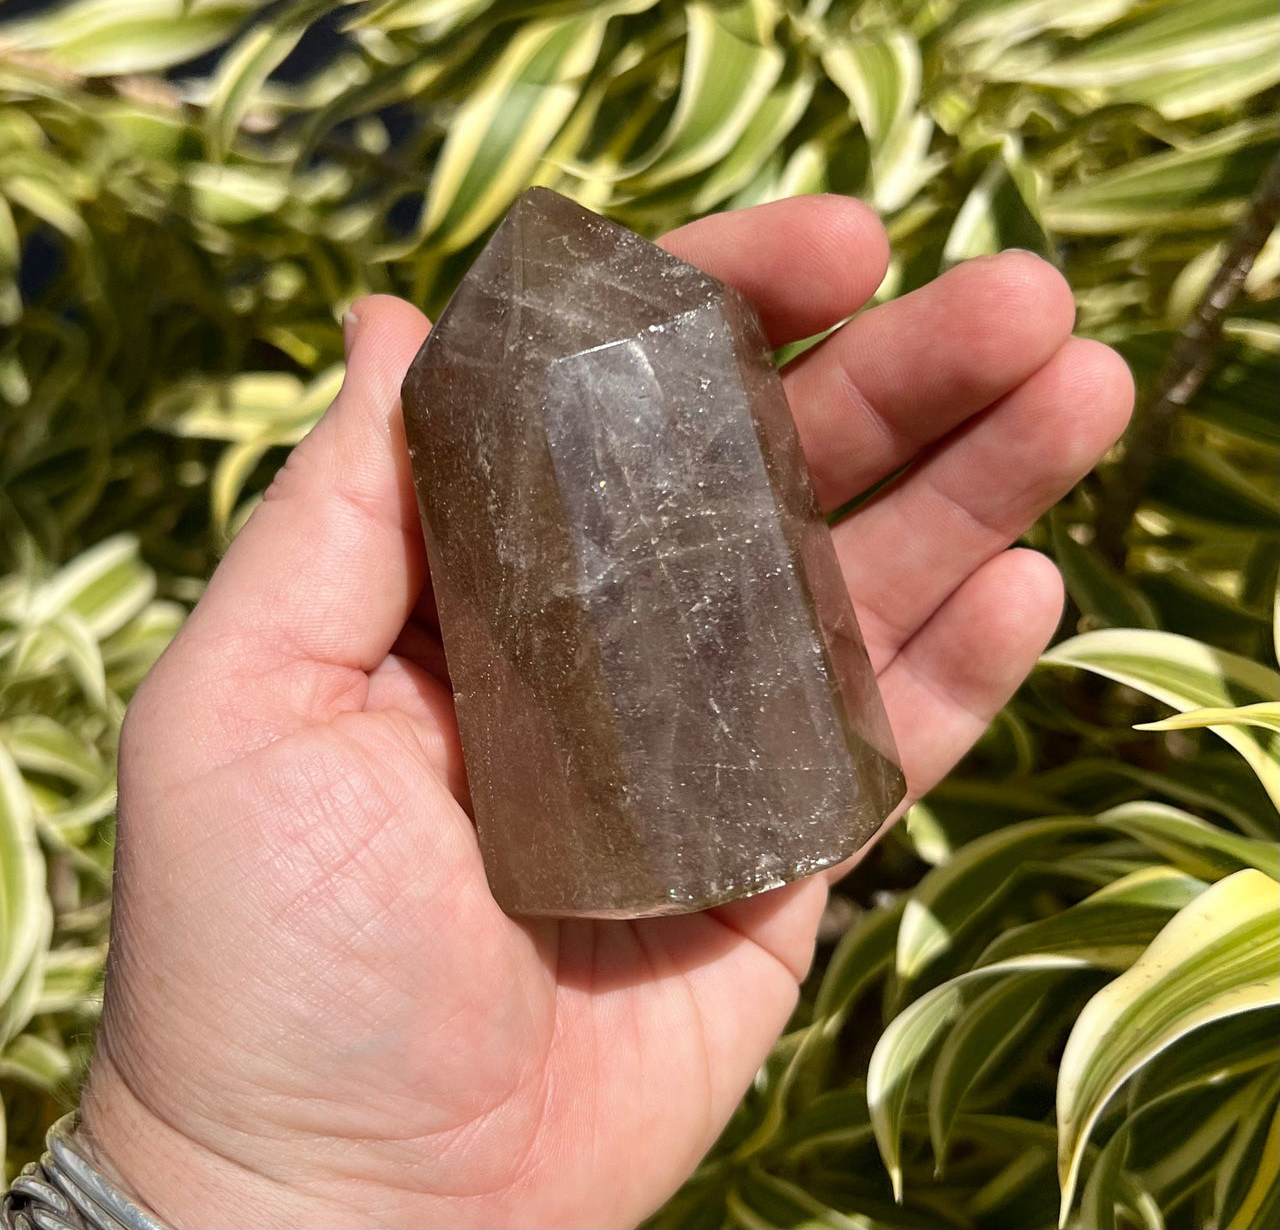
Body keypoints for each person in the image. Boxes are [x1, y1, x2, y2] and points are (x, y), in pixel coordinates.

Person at [11, 196, 1133, 1227]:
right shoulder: (496, 381)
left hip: (757, 807)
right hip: (660, 843)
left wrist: (211, 1181)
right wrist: (247, 1172)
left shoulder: (569, 354)